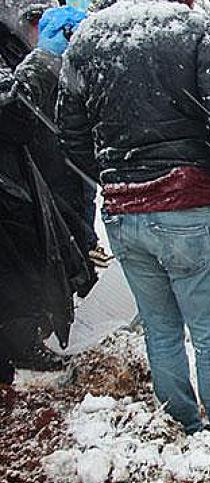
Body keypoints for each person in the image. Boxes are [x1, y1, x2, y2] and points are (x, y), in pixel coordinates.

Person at [57, 0, 210, 465]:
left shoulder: (86, 40)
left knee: (160, 330)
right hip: (189, 205)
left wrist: (115, 182)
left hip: (123, 214)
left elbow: (70, 134)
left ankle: (181, 424)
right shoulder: (196, 29)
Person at [0, 2, 96, 383]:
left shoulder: (9, 44)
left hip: (28, 177)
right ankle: (19, 348)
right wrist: (42, 61)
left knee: (32, 253)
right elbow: (11, 113)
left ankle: (27, 334)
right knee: (15, 262)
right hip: (12, 183)